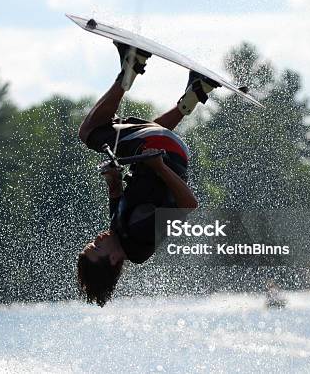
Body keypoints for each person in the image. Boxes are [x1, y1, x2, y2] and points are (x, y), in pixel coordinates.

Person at [76, 42, 220, 307]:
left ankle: (197, 91)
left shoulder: (118, 233)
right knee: (89, 132)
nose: (94, 240)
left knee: (135, 134)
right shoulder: (139, 239)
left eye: (91, 244)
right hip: (167, 154)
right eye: (96, 248)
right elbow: (189, 205)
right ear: (113, 260)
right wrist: (159, 167)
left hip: (165, 150)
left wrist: (112, 179)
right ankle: (131, 66)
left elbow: (117, 193)